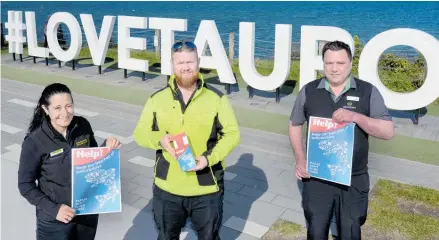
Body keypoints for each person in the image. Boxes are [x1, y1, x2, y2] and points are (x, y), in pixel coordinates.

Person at [133, 41, 240, 240]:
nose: (185, 67)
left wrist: (208, 159)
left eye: (190, 62)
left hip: (206, 187)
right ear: (172, 65)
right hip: (167, 188)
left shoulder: (217, 99)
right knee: (166, 237)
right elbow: (140, 133)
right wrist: (160, 140)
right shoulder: (156, 99)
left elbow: (232, 134)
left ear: (198, 62)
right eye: (180, 62)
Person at [289, 41, 394, 240]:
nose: (334, 68)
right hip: (317, 177)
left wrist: (357, 117)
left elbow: (388, 131)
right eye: (329, 63)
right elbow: (295, 124)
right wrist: (300, 158)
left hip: (353, 178)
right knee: (316, 230)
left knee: (351, 230)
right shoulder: (309, 91)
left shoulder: (367, 91)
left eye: (340, 63)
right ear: (323, 64)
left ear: (350, 63)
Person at [18, 83, 121, 240]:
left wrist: (106, 148)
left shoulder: (82, 125)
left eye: (68, 106)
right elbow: (25, 185)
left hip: (86, 213)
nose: (65, 113)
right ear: (46, 110)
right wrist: (55, 209)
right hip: (54, 221)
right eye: (57, 108)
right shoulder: (34, 141)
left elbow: (93, 161)